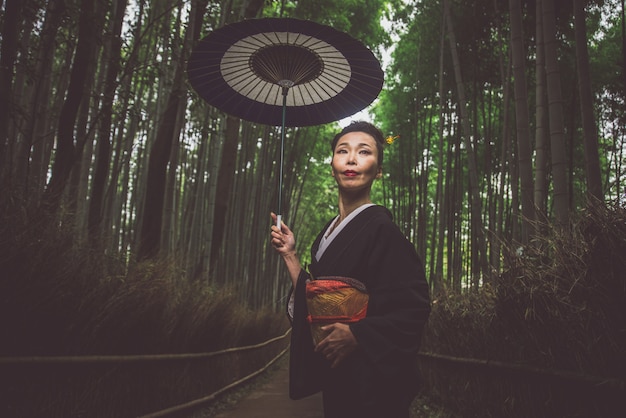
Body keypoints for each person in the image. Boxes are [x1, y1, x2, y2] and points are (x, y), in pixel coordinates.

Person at [270, 121, 431, 418]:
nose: (352, 159)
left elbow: (414, 307)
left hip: (373, 386)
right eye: (343, 151)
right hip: (340, 377)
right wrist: (290, 255)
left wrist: (359, 335)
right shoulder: (325, 236)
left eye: (364, 151)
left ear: (378, 170)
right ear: (333, 166)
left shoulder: (383, 230)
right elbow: (318, 299)